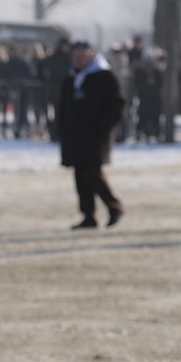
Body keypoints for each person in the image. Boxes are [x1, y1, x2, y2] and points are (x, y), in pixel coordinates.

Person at [58, 41, 126, 230]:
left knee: (93, 173)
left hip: (95, 136)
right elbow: (63, 106)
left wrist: (100, 127)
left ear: (92, 55)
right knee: (80, 175)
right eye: (75, 57)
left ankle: (114, 206)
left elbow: (118, 106)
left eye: (81, 56)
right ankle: (88, 215)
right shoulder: (71, 78)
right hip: (74, 136)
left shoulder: (105, 77)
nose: (77, 60)